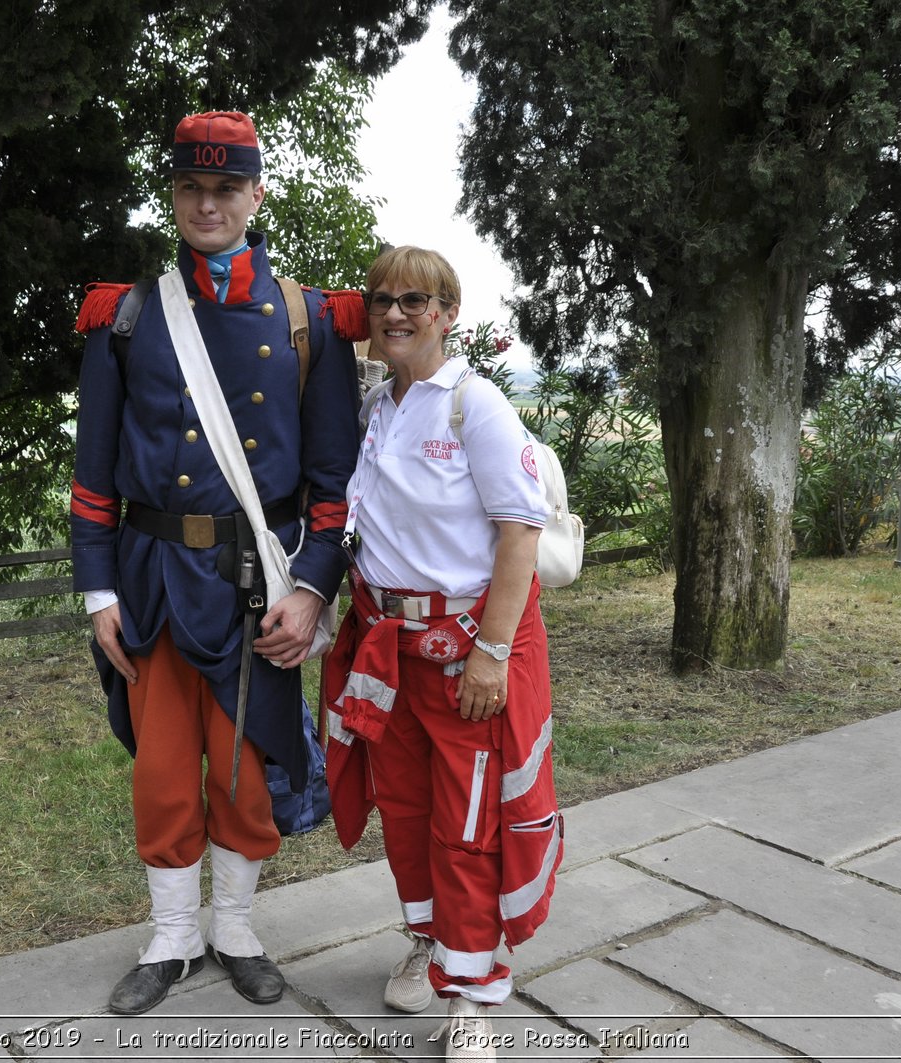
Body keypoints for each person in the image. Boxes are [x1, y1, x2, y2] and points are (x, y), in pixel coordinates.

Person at [69, 110, 363, 1016]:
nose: (209, 203)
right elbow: (91, 479)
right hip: (153, 577)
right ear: (174, 196)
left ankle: (234, 928)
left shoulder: (310, 320)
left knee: (244, 767)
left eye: (226, 188)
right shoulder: (123, 316)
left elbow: (331, 489)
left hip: (258, 585)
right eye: (192, 188)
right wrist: (98, 591)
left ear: (256, 194)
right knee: (162, 770)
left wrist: (314, 588)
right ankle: (171, 939)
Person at [322, 246, 562, 1062]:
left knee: (468, 825)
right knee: (411, 814)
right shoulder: (378, 406)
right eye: (382, 298)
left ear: (447, 313)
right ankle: (430, 945)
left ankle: (472, 999)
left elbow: (520, 535)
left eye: (415, 300)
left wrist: (493, 651)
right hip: (389, 654)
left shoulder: (476, 404)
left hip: (464, 655)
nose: (396, 312)